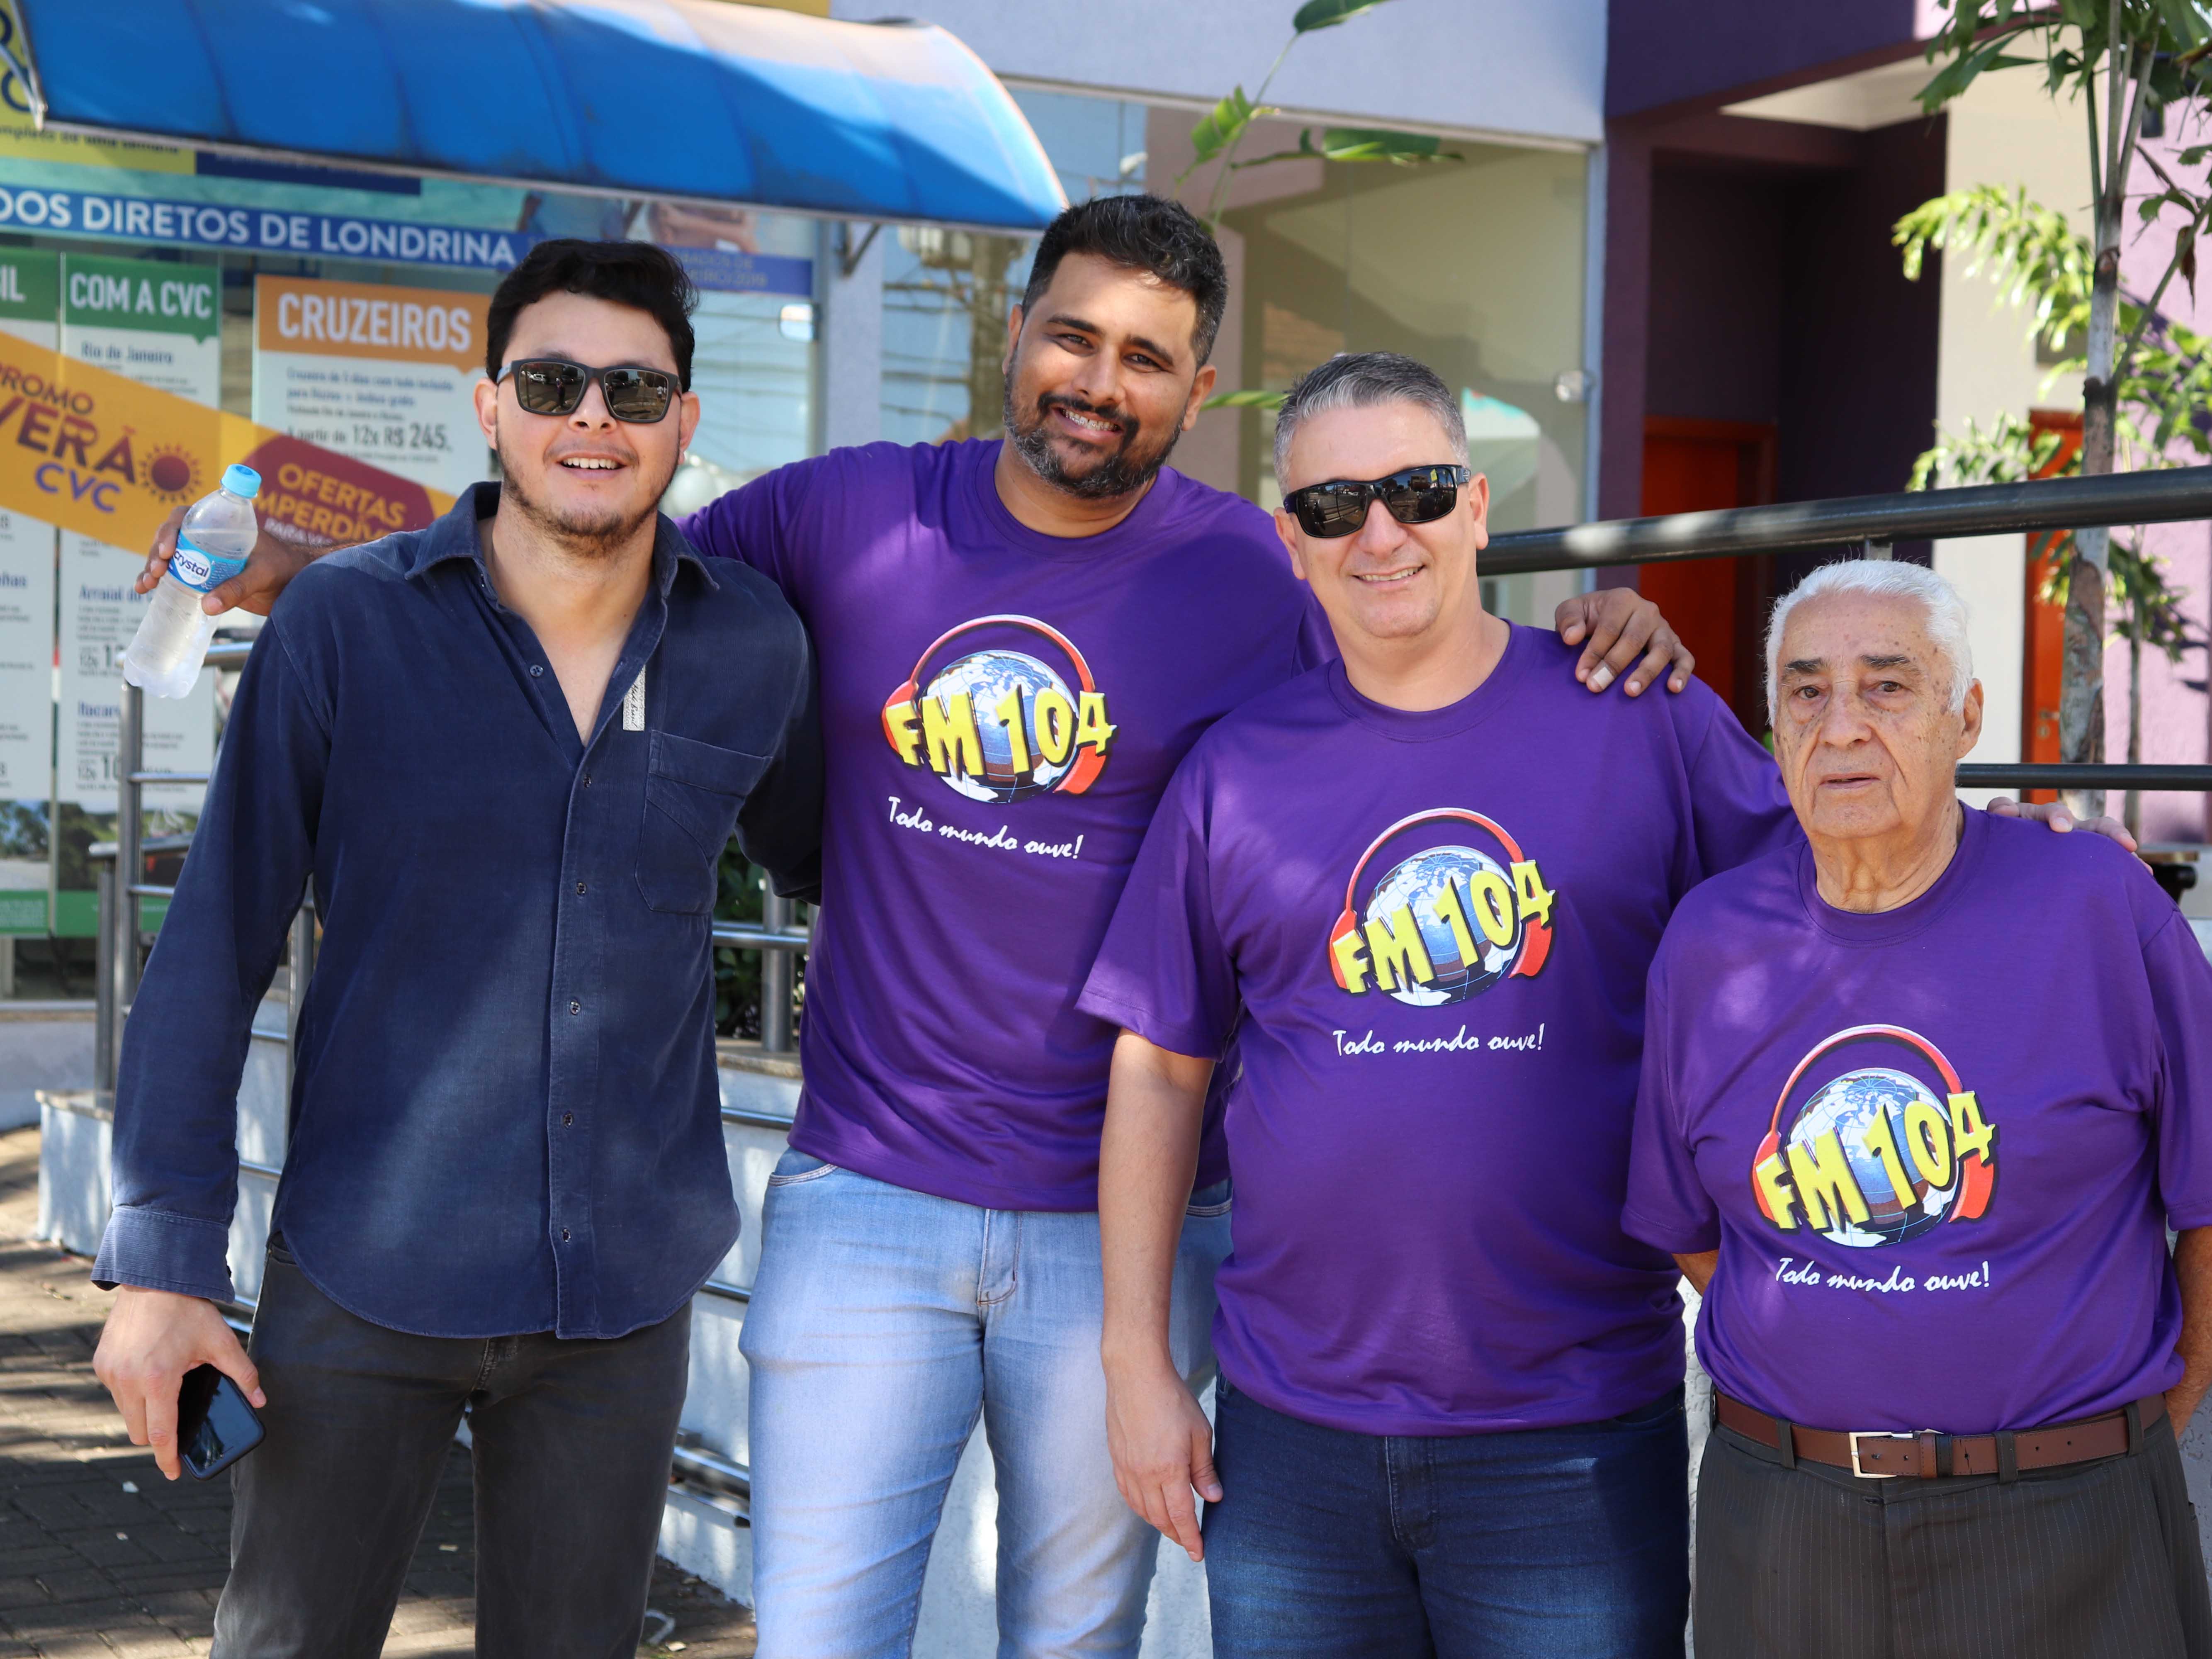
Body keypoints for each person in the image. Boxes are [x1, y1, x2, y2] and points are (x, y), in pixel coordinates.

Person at [140, 195, 1690, 1659]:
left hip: (1126, 1222)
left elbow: (1417, 669)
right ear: (1015, 335)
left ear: (1198, 388)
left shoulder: (1254, 567)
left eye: (1146, 357)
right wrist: (304, 573)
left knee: (1073, 1644)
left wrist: (1588, 647)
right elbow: (576, 541)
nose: (1099, 382)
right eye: (1073, 336)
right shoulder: (849, 514)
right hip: (866, 1194)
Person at [91, 240, 820, 1659]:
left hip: (621, 1296)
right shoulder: (344, 626)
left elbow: (838, 863)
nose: (592, 416)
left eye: (633, 389)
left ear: (682, 419)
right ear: (491, 408)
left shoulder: (753, 650)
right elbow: (213, 947)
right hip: (366, 1267)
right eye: (551, 384)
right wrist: (164, 1264)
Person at [1081, 350, 1795, 1655]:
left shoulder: (1638, 713)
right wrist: (1135, 1362)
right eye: (1332, 506)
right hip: (1292, 1440)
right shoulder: (1236, 773)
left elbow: (1835, 912)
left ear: (1475, 505)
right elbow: (1161, 1066)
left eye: (1413, 491)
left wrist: (2030, 876)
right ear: (1292, 542)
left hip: (1571, 1434)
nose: (1379, 534)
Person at [1624, 557, 2212, 1659]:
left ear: (1967, 716)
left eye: (1887, 686)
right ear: (1774, 728)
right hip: (1784, 1525)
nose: (1842, 725)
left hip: (2068, 1529)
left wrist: (2129, 1438)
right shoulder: (1708, 944)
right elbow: (1696, 1230)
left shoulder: (2093, 904)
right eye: (1806, 690)